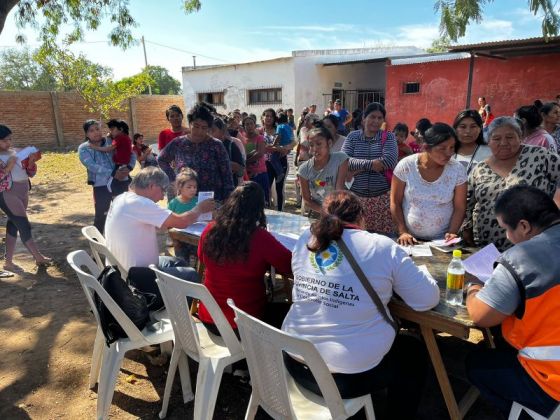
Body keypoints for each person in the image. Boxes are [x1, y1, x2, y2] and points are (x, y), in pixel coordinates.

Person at [282, 190, 440, 419]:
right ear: (361, 217)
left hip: (296, 362)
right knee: (412, 352)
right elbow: (427, 299)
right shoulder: (382, 247)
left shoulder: (305, 240)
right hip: (346, 379)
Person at [465, 185, 560, 418]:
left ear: (524, 226)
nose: (507, 237)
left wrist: (473, 287)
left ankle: (527, 413)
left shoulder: (521, 259)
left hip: (550, 382)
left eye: (506, 229)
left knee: (475, 362)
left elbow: (481, 316)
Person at [198, 181, 292, 334]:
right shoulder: (260, 237)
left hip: (209, 317)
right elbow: (288, 265)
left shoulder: (210, 229)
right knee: (287, 312)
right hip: (244, 323)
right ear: (258, 209)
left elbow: (201, 259)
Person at [464, 116, 560, 251]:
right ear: (489, 142)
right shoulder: (480, 169)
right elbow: (468, 203)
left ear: (520, 137)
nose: (503, 142)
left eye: (510, 137)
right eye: (496, 139)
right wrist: (466, 230)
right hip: (487, 246)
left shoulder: (539, 156)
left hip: (535, 245)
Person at [105, 166, 214, 279]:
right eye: (163, 190)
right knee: (191, 275)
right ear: (152, 186)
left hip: (124, 268)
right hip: (137, 276)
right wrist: (199, 209)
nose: (163, 197)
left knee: (179, 263)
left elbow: (162, 225)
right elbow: (182, 222)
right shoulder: (140, 203)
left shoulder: (123, 198)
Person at [391, 123, 467, 245]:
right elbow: (395, 202)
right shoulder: (406, 166)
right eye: (442, 148)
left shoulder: (457, 170)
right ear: (427, 147)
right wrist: (403, 232)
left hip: (443, 240)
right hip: (409, 239)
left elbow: (460, 207)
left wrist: (452, 232)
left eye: (452, 147)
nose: (448, 153)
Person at [157, 102, 234, 203]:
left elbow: (227, 174)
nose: (199, 131)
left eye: (204, 128)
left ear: (209, 128)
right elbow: (161, 159)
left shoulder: (216, 145)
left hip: (212, 199)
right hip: (186, 199)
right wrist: (174, 179)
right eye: (196, 126)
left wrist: (228, 197)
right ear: (190, 124)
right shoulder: (178, 143)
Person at [0, 125, 51, 270]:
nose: (8, 143)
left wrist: (31, 162)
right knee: (23, 224)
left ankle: (8, 262)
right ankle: (38, 257)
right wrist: (10, 164)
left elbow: (30, 173)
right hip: (7, 193)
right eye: (4, 141)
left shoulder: (16, 151)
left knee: (13, 224)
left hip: (23, 190)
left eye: (9, 139)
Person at [342, 102, 398, 234]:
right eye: (372, 117)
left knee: (380, 240)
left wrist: (357, 166)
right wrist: (372, 164)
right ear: (364, 118)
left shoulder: (388, 137)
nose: (376, 121)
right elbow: (344, 160)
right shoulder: (353, 137)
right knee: (356, 238)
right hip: (355, 199)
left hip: (381, 200)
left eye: (380, 118)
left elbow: (389, 161)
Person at [78, 119, 136, 233]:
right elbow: (91, 165)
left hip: (121, 181)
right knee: (101, 215)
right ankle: (98, 243)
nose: (96, 132)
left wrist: (129, 167)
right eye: (91, 131)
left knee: (124, 212)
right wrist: (113, 173)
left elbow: (131, 152)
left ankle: (124, 240)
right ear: (86, 134)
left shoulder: (112, 140)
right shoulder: (84, 148)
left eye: (97, 129)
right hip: (101, 186)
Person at [297, 125, 348, 214]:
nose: (315, 149)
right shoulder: (303, 170)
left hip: (339, 210)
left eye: (319, 144)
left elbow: (339, 190)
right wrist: (325, 212)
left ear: (329, 143)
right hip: (317, 213)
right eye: (311, 145)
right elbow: (307, 200)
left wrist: (334, 213)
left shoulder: (340, 159)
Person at [89, 119, 133, 193]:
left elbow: (109, 148)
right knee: (123, 180)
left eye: (112, 130)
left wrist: (95, 147)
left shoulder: (120, 138)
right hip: (124, 164)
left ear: (121, 129)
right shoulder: (126, 137)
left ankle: (113, 193)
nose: (110, 132)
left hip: (120, 164)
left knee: (112, 182)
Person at [168, 167, 199, 265]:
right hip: (179, 240)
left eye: (195, 187)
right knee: (181, 262)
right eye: (189, 187)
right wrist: (174, 240)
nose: (193, 190)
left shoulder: (199, 201)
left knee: (195, 263)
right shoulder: (173, 203)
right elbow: (168, 224)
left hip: (195, 240)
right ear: (180, 187)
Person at [452, 110, 492, 175]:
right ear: (455, 129)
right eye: (463, 127)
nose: (468, 131)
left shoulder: (490, 153)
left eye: (473, 126)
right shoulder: (447, 152)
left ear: (480, 129)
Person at [243, 115, 270, 205]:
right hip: (247, 175)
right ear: (244, 126)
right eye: (247, 124)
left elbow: (260, 153)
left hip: (260, 173)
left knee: (263, 201)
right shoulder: (242, 139)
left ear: (255, 125)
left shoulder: (260, 138)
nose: (249, 126)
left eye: (251, 124)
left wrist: (245, 162)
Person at [211, 117, 245, 187]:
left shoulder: (231, 145)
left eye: (213, 130)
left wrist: (228, 164)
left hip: (229, 188)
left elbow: (241, 171)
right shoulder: (204, 146)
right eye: (207, 130)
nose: (209, 133)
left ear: (222, 131)